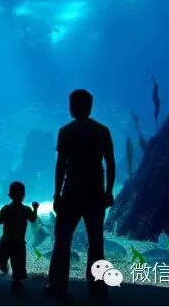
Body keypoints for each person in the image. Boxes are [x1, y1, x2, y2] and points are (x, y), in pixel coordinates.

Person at [46, 89, 116, 296]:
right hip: (95, 193)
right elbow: (110, 163)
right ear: (90, 107)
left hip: (71, 193)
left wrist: (56, 194)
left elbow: (61, 165)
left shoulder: (66, 131)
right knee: (96, 242)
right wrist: (109, 191)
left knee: (62, 240)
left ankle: (57, 284)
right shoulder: (102, 130)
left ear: (73, 107)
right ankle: (97, 286)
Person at [0, 181, 39, 290]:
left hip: (7, 241)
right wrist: (35, 208)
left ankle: (0, 261)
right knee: (18, 263)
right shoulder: (26, 209)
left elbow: (0, 221)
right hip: (19, 242)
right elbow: (33, 219)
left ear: (10, 195)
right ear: (24, 195)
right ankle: (15, 279)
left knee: (6, 256)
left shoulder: (7, 208)